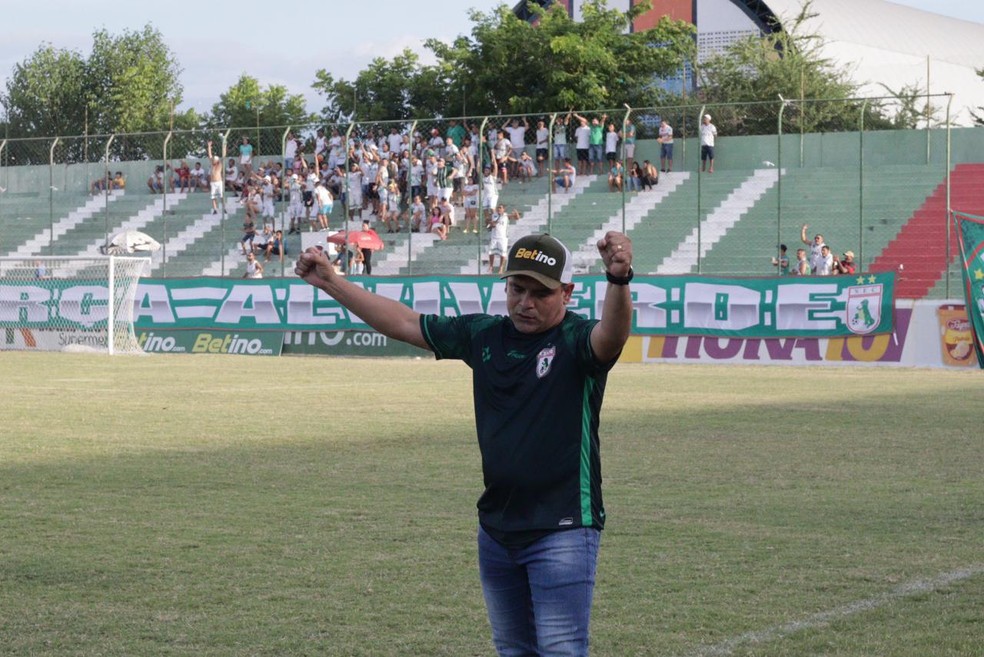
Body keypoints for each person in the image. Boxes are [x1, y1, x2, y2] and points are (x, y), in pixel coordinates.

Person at [294, 229, 633, 657]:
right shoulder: (484, 335)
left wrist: (619, 281)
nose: (524, 303)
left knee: (561, 650)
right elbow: (402, 322)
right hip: (496, 528)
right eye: (516, 289)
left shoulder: (577, 340)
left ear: (566, 292)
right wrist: (331, 282)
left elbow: (613, 336)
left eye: (540, 293)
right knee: (512, 649)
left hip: (563, 530)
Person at [486, 203, 512, 274]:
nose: (499, 209)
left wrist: (516, 213)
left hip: (503, 237)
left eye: (500, 208)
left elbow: (517, 217)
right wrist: (491, 224)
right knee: (491, 252)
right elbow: (488, 224)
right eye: (498, 208)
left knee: (502, 254)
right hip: (494, 237)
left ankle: (501, 268)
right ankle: (491, 267)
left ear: (503, 209)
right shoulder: (494, 215)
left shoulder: (506, 216)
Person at [207, 142, 224, 215]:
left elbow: (224, 156)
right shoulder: (212, 164)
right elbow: (210, 155)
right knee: (213, 196)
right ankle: (215, 209)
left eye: (215, 159)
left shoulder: (219, 165)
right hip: (213, 182)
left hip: (219, 182)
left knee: (221, 196)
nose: (213, 160)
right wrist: (209, 146)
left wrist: (224, 146)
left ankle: (224, 208)